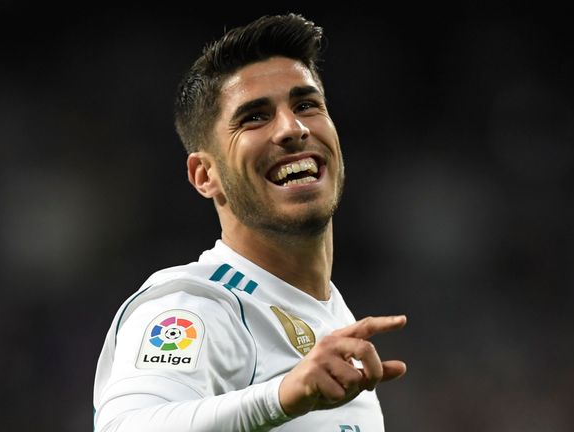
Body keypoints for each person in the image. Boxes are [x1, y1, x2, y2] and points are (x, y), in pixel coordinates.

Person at [93, 13, 407, 431]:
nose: (292, 128)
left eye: (306, 104)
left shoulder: (331, 318)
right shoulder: (198, 305)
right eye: (255, 117)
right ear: (205, 175)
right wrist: (279, 397)